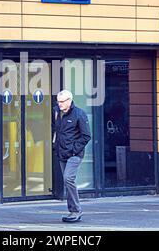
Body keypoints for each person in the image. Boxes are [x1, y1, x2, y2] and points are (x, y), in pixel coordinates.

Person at [52, 90, 91, 222]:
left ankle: (76, 210)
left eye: (62, 101)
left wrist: (74, 150)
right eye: (58, 101)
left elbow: (86, 136)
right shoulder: (56, 112)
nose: (59, 104)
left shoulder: (79, 114)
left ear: (69, 101)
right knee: (66, 181)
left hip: (75, 154)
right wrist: (54, 145)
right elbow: (56, 131)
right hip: (61, 152)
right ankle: (72, 211)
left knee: (68, 178)